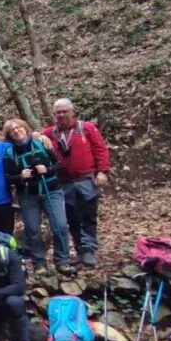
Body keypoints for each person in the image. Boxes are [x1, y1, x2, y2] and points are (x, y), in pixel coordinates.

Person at [42, 98, 111, 268]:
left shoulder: (85, 128)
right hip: (63, 182)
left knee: (88, 214)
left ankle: (88, 249)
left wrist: (102, 171)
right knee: (72, 217)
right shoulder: (51, 133)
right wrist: (37, 135)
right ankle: (80, 248)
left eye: (64, 111)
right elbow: (33, 139)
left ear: (73, 112)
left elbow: (100, 149)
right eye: (58, 112)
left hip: (86, 178)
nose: (61, 115)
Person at [3, 119, 72, 276]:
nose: (16, 131)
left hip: (51, 190)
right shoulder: (9, 153)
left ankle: (62, 261)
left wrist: (47, 169)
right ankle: (38, 263)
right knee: (32, 229)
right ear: (9, 135)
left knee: (59, 225)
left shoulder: (41, 143)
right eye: (12, 130)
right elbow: (7, 177)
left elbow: (58, 164)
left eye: (18, 127)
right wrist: (20, 176)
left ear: (25, 128)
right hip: (28, 195)